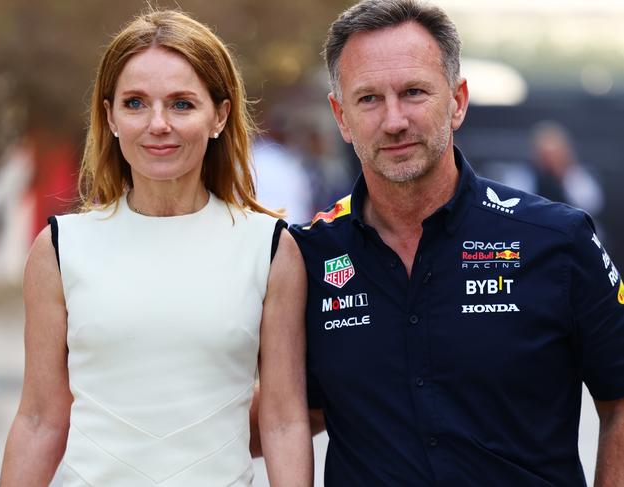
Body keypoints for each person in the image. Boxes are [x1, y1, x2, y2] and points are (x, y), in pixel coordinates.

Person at [250, 0, 624, 485]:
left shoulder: (557, 240)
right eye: (368, 99)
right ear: (341, 117)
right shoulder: (307, 256)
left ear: (458, 101)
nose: (394, 120)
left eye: (413, 92)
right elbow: (291, 412)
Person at [0, 10, 313, 487]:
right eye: (135, 103)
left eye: (182, 104)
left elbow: (284, 421)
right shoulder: (60, 248)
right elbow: (40, 419)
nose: (158, 124)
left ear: (219, 116)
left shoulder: (269, 249)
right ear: (110, 117)